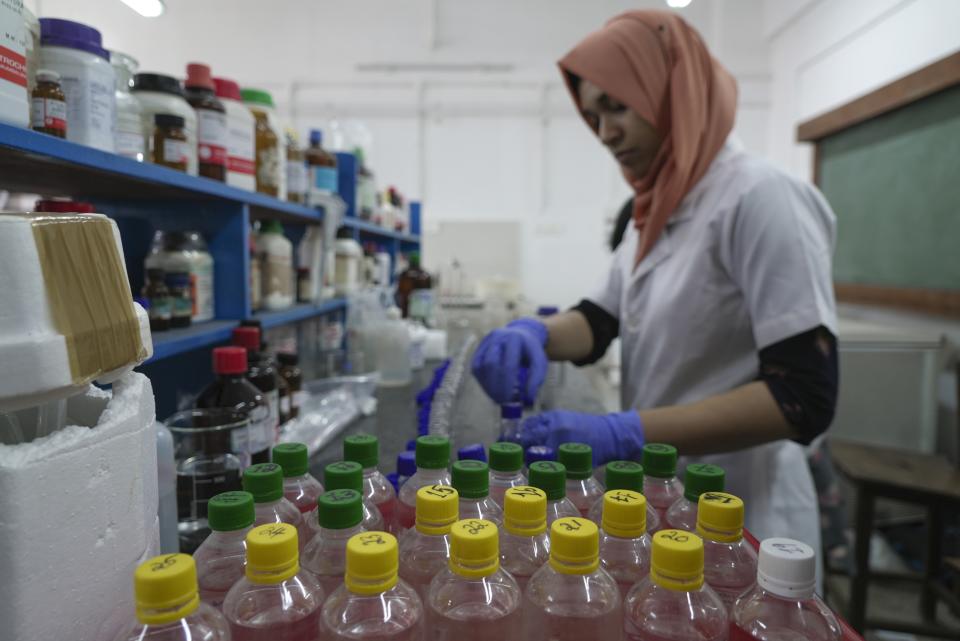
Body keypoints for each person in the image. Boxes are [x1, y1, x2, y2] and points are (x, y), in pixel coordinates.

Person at [471, 10, 839, 555]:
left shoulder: (762, 199)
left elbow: (802, 396)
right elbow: (599, 320)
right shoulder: (655, 210)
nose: (605, 133)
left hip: (744, 511)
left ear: (673, 91)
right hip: (665, 501)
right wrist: (535, 333)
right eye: (593, 117)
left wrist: (626, 432)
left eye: (616, 107)